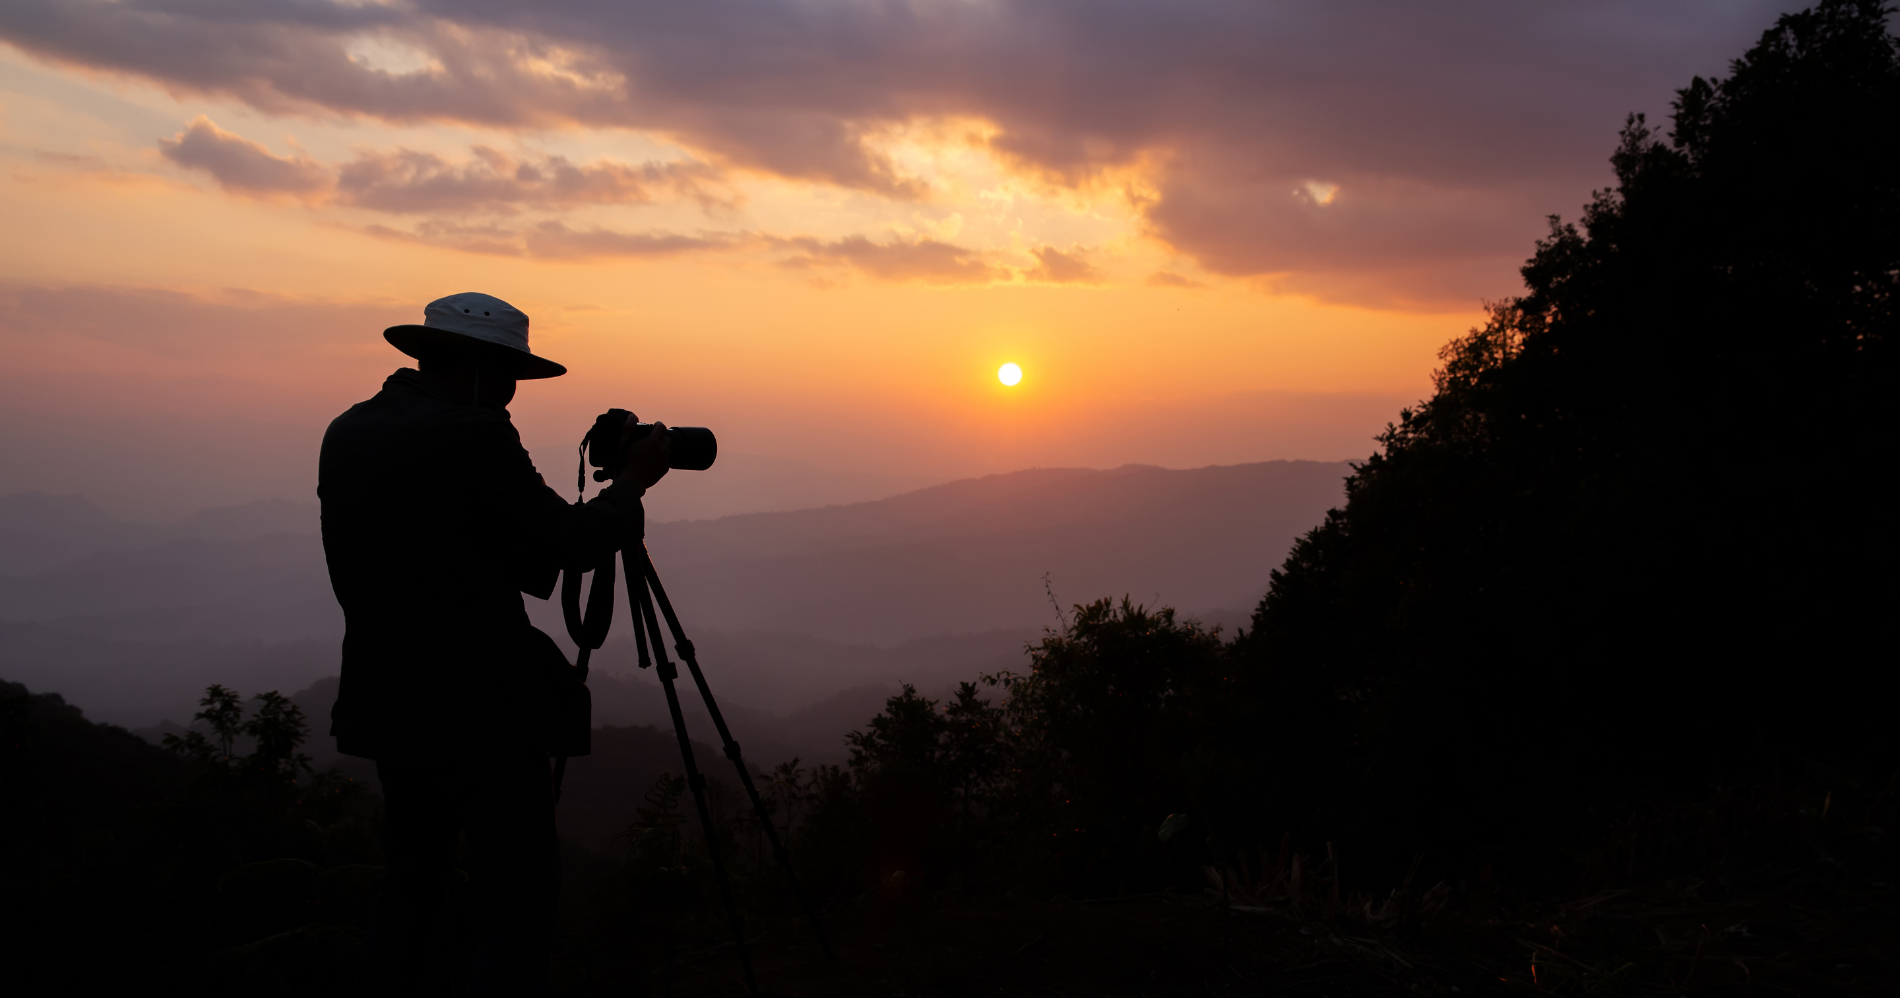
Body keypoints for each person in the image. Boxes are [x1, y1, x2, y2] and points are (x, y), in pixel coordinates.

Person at [318, 292, 670, 994]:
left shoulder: (350, 429)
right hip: (478, 713)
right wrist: (632, 484)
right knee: (516, 900)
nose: (510, 395)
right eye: (508, 376)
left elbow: (444, 542)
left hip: (386, 701)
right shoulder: (473, 435)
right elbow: (570, 544)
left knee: (411, 890)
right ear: (481, 366)